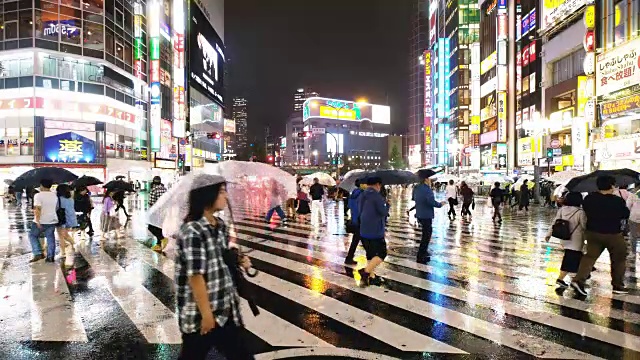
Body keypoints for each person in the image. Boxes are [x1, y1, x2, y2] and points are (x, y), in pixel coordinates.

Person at [175, 178, 254, 360]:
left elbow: (221, 255)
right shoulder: (192, 231)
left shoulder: (220, 226)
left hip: (226, 309)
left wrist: (239, 259)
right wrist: (207, 315)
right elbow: (195, 276)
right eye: (221, 191)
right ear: (207, 195)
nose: (226, 196)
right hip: (200, 316)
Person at [571, 175, 630, 296]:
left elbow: (586, 211)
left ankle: (578, 280)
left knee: (589, 257)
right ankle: (617, 285)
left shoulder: (589, 198)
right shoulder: (617, 200)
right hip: (613, 234)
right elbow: (625, 214)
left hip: (593, 233)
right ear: (612, 186)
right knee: (619, 259)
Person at [545, 192, 587, 288]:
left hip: (565, 238)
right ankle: (561, 279)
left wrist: (549, 234)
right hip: (576, 240)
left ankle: (583, 275)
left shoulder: (562, 210)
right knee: (570, 259)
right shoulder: (580, 212)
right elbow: (584, 226)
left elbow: (555, 222)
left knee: (576, 258)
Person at [356, 177, 389, 287]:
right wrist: (386, 205)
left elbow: (359, 210)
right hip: (375, 230)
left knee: (370, 254)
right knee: (381, 253)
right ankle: (365, 272)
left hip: (363, 229)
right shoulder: (377, 196)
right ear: (377, 185)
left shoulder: (362, 195)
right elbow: (383, 212)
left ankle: (371, 277)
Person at [414, 176, 446, 263]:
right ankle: (421, 255)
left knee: (425, 234)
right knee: (426, 235)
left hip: (419, 214)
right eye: (429, 179)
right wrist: (440, 204)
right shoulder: (427, 189)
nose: (430, 181)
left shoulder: (417, 188)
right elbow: (431, 201)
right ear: (425, 179)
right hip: (426, 215)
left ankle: (423, 252)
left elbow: (415, 199)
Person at [28, 179, 58, 263]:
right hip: (52, 219)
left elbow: (38, 208)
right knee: (50, 237)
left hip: (41, 220)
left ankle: (38, 253)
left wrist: (37, 220)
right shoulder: (54, 195)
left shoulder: (38, 195)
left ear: (41, 185)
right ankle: (50, 257)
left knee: (32, 235)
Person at [56, 184, 78, 267]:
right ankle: (73, 243)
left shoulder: (58, 199)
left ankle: (63, 252)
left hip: (62, 219)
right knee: (65, 234)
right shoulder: (70, 199)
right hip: (70, 219)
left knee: (61, 236)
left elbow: (56, 209)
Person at [345, 179, 364, 265]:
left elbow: (349, 205)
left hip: (355, 219)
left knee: (355, 240)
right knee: (368, 243)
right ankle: (370, 266)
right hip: (361, 220)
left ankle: (349, 258)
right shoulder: (362, 194)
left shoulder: (353, 194)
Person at [148, 176, 168, 252]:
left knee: (151, 227)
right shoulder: (165, 189)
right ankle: (159, 244)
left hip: (156, 212)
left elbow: (151, 203)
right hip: (164, 212)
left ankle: (163, 239)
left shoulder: (154, 190)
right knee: (160, 228)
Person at [626, 190, 640, 255]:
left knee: (633, 235)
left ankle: (633, 252)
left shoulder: (633, 194)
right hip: (634, 217)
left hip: (633, 217)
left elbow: (628, 206)